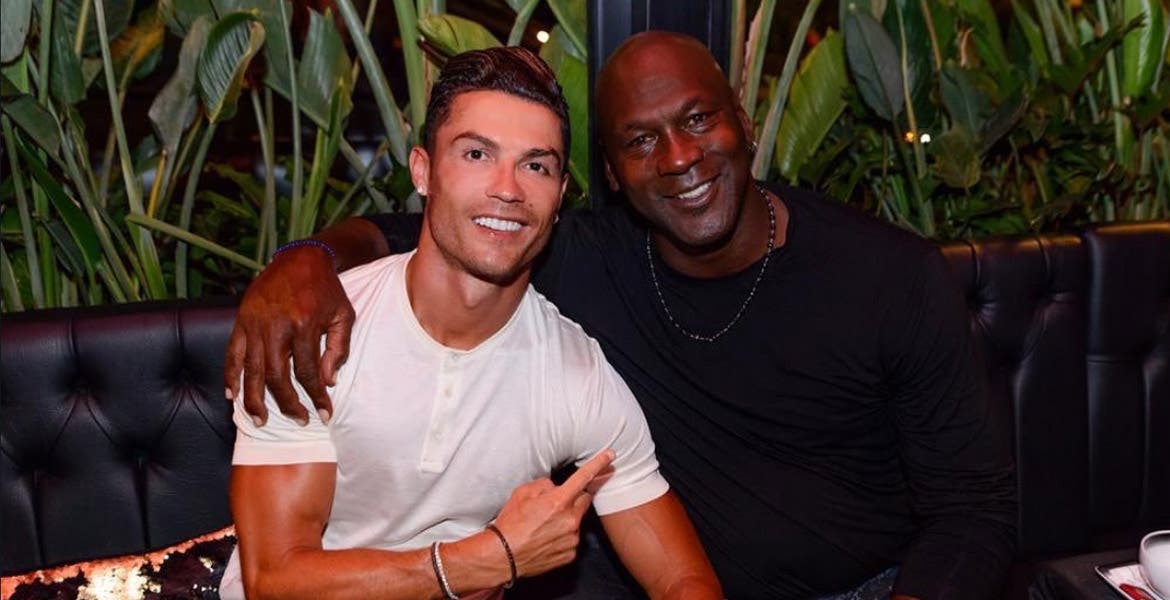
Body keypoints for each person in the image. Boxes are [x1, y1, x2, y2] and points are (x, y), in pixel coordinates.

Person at [226, 32, 1017, 599]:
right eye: (641, 140)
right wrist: (304, 258)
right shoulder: (576, 259)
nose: (678, 157)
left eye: (698, 120)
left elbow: (974, 511)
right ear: (611, 174)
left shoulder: (889, 276)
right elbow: (447, 230)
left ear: (742, 122)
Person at [217, 46, 722, 600]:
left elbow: (682, 578)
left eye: (536, 165)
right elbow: (276, 579)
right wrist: (485, 560)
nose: (508, 188)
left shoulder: (575, 375)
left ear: (558, 198)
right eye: (477, 154)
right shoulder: (315, 329)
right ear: (423, 172)